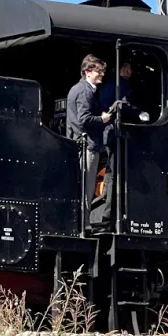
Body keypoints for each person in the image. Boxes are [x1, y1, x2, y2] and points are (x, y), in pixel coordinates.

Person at [65, 54, 113, 223]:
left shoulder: (78, 89)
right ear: (87, 72)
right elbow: (84, 118)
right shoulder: (85, 91)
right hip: (88, 146)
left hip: (80, 144)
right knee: (87, 188)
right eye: (98, 71)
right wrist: (103, 119)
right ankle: (83, 226)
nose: (101, 74)